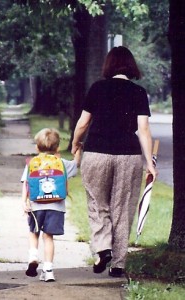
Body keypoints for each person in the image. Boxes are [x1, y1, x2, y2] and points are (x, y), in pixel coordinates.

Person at [71, 46, 157, 278]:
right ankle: (118, 264)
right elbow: (144, 130)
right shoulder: (138, 92)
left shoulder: (98, 88)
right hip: (128, 156)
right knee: (123, 208)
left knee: (98, 203)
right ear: (131, 66)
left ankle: (102, 249)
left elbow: (82, 123)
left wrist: (76, 143)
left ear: (109, 65)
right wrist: (149, 162)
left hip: (97, 153)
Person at [21, 128, 81, 282]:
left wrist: (24, 202)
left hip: (35, 206)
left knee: (34, 233)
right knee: (49, 238)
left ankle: (33, 255)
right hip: (56, 206)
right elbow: (77, 164)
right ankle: (48, 271)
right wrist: (78, 150)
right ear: (58, 148)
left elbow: (26, 184)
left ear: (37, 147)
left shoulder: (32, 163)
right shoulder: (62, 163)